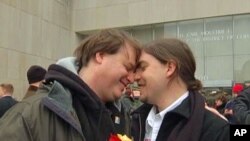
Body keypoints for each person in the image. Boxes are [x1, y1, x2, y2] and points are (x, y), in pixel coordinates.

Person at [0, 29, 141, 141]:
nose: (132, 78)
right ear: (100, 56)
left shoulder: (123, 118)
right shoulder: (30, 115)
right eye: (128, 67)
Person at [131, 38, 229, 141]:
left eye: (142, 67)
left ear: (169, 68)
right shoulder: (135, 120)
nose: (135, 77)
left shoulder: (217, 130)